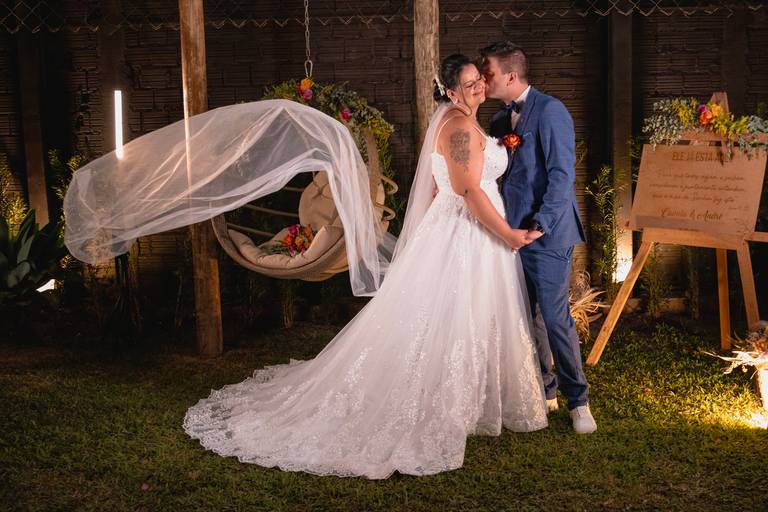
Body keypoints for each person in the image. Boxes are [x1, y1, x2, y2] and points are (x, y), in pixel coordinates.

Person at [183, 54, 548, 479]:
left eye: (479, 80)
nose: (479, 87)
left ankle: (470, 401)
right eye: (468, 84)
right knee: (452, 316)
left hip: (462, 230)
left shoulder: (459, 119)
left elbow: (444, 183)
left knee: (462, 316)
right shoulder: (460, 127)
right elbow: (468, 191)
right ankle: (443, 404)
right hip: (467, 232)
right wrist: (508, 235)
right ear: (450, 92)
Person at [480, 41, 596, 434]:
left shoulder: (550, 111)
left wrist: (540, 225)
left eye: (489, 73)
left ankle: (579, 401)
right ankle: (545, 391)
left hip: (548, 234)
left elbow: (563, 175)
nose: (484, 79)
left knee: (554, 316)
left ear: (511, 75)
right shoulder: (499, 121)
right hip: (511, 235)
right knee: (525, 317)